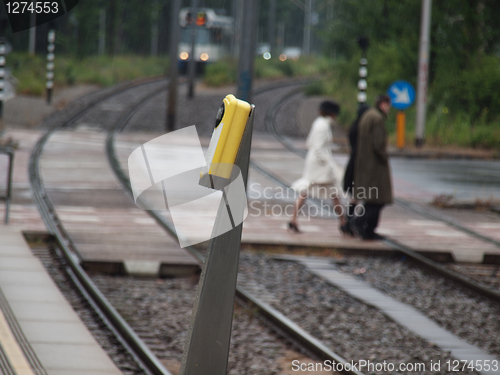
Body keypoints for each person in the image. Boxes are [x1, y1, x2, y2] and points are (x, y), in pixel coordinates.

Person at [288, 100, 346, 233]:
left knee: (310, 192)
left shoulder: (318, 123)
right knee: (333, 193)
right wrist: (329, 163)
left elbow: (309, 142)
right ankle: (343, 222)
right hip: (320, 165)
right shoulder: (323, 126)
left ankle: (293, 219)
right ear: (332, 114)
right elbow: (319, 148)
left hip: (316, 163)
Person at [352, 94, 392, 240]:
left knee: (372, 200)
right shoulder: (377, 118)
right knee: (378, 199)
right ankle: (361, 223)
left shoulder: (369, 115)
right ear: (382, 104)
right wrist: (385, 156)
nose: (389, 108)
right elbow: (379, 144)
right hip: (375, 166)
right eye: (388, 105)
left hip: (366, 164)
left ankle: (368, 231)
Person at [341, 104, 370, 235]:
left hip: (353, 163)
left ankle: (349, 222)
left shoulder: (354, 126)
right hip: (358, 165)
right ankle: (351, 222)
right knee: (358, 196)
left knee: (356, 196)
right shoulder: (361, 128)